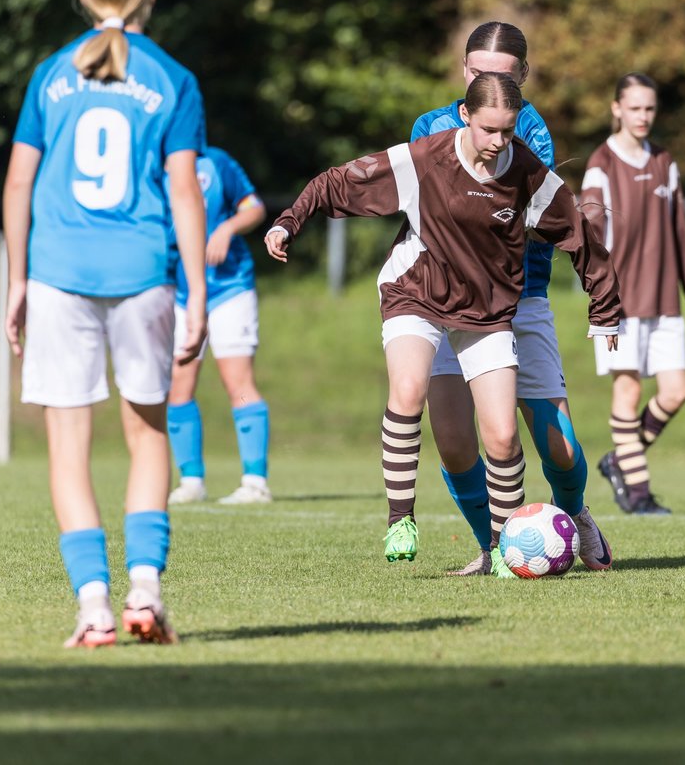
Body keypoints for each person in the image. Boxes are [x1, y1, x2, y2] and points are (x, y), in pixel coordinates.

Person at [265, 72, 621, 566]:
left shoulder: (526, 172)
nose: (499, 142)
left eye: (509, 131)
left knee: (501, 435)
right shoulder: (426, 160)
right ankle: (400, 520)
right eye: (489, 129)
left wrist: (605, 309)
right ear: (465, 116)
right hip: (418, 293)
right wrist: (289, 221)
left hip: (486, 309)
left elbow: (579, 235)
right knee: (407, 392)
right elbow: (337, 183)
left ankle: (502, 550)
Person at [2, 0, 208, 647]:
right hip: (141, 273)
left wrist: (18, 277)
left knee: (68, 446)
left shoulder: (50, 74)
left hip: (58, 274)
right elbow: (185, 192)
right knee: (148, 433)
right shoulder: (174, 78)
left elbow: (20, 182)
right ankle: (144, 594)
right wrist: (200, 293)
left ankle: (93, 609)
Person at [412, 21, 612, 576]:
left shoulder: (532, 130)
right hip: (444, 300)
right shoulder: (429, 126)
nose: (487, 82)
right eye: (477, 72)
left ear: (523, 75)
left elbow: (523, 213)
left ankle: (573, 516)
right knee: (454, 443)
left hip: (518, 301)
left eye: (501, 74)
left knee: (561, 448)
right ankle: (495, 549)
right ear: (464, 71)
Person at [582, 73, 685, 516]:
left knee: (675, 391)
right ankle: (638, 494)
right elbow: (590, 237)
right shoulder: (601, 164)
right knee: (628, 392)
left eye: (649, 108)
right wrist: (599, 298)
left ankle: (620, 459)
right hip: (619, 302)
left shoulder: (664, 161)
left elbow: (679, 229)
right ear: (617, 108)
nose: (643, 117)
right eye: (634, 108)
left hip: (664, 298)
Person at [165, 147, 272, 505]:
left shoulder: (218, 162)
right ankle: (191, 481)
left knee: (237, 383)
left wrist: (227, 227)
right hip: (180, 292)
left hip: (229, 288)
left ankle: (255, 483)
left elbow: (254, 207)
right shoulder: (154, 166)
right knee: (178, 384)